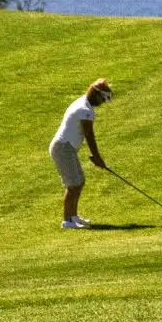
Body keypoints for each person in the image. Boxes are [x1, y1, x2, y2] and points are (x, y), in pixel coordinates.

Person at [50, 78, 113, 229]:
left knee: (79, 182)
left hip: (66, 147)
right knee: (73, 184)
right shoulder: (85, 111)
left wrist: (97, 157)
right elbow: (89, 135)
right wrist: (97, 157)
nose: (102, 102)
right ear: (96, 95)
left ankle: (73, 217)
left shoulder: (83, 104)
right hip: (63, 148)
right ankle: (67, 221)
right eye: (102, 99)